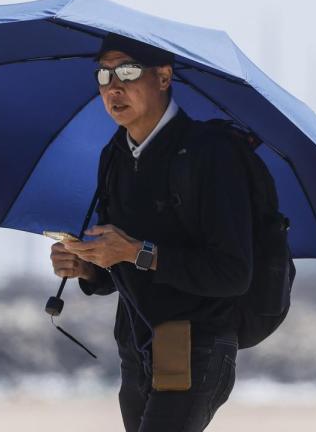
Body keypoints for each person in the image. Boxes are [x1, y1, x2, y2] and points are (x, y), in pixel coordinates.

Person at [48, 32, 254, 432]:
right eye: (104, 76)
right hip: (136, 344)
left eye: (126, 70)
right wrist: (87, 266)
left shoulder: (211, 153)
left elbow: (233, 272)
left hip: (196, 343)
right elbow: (118, 270)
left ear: (163, 77)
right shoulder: (114, 156)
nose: (114, 87)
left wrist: (137, 252)